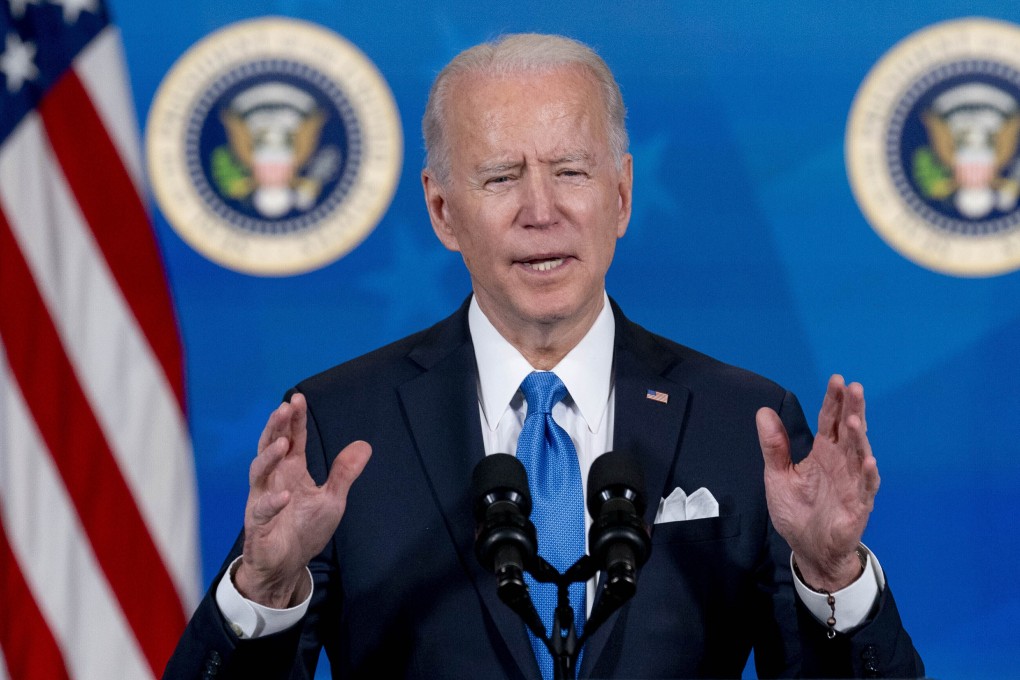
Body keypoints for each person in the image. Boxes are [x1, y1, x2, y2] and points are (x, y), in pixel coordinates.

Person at [163, 33, 924, 679]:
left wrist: (833, 578)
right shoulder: (342, 428)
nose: (540, 211)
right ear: (441, 210)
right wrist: (262, 589)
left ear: (620, 197)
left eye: (570, 172)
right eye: (501, 177)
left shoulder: (742, 423)